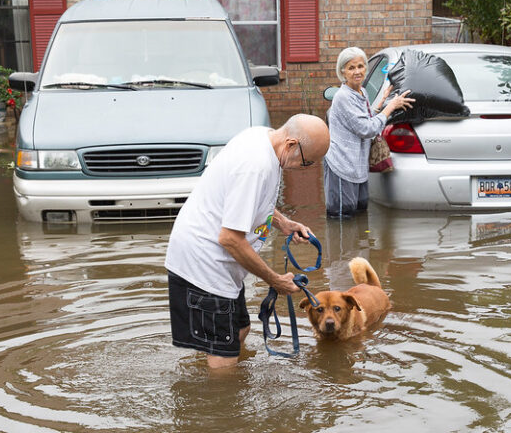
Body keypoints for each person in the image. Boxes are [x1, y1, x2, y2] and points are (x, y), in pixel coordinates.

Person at [165, 114, 330, 369]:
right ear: (290, 144)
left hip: (221, 264)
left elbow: (252, 202)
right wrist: (275, 280)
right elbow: (230, 239)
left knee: (240, 330)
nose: (303, 168)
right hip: (204, 264)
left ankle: (205, 369)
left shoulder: (263, 136)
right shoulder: (255, 166)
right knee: (224, 354)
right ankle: (217, 404)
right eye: (307, 162)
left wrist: (283, 223)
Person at [324, 47, 414, 218]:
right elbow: (366, 129)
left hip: (358, 166)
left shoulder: (362, 92)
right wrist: (390, 107)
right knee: (342, 217)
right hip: (342, 166)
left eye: (360, 66)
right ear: (342, 72)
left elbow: (366, 118)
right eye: (351, 68)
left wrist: (382, 102)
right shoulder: (343, 97)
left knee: (359, 214)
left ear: (366, 67)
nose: (357, 71)